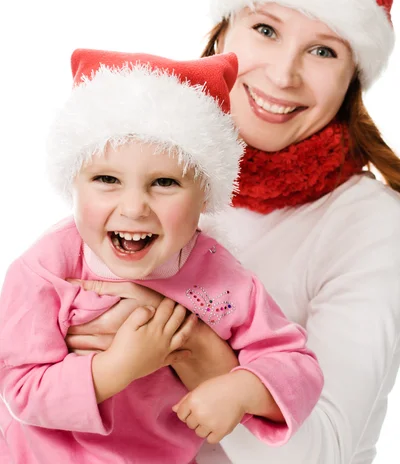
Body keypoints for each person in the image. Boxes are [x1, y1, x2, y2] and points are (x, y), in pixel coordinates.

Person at [64, 0, 400, 464]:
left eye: (323, 50)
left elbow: (328, 452)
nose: (282, 73)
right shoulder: (148, 165)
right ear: (223, 33)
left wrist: (183, 341)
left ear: (352, 79)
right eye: (266, 29)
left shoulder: (371, 223)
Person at [0, 49, 323, 464]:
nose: (134, 208)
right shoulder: (46, 271)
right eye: (106, 179)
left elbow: (296, 365)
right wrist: (120, 366)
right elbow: (20, 389)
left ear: (204, 194)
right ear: (72, 184)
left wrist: (241, 389)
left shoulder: (218, 278)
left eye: (165, 182)